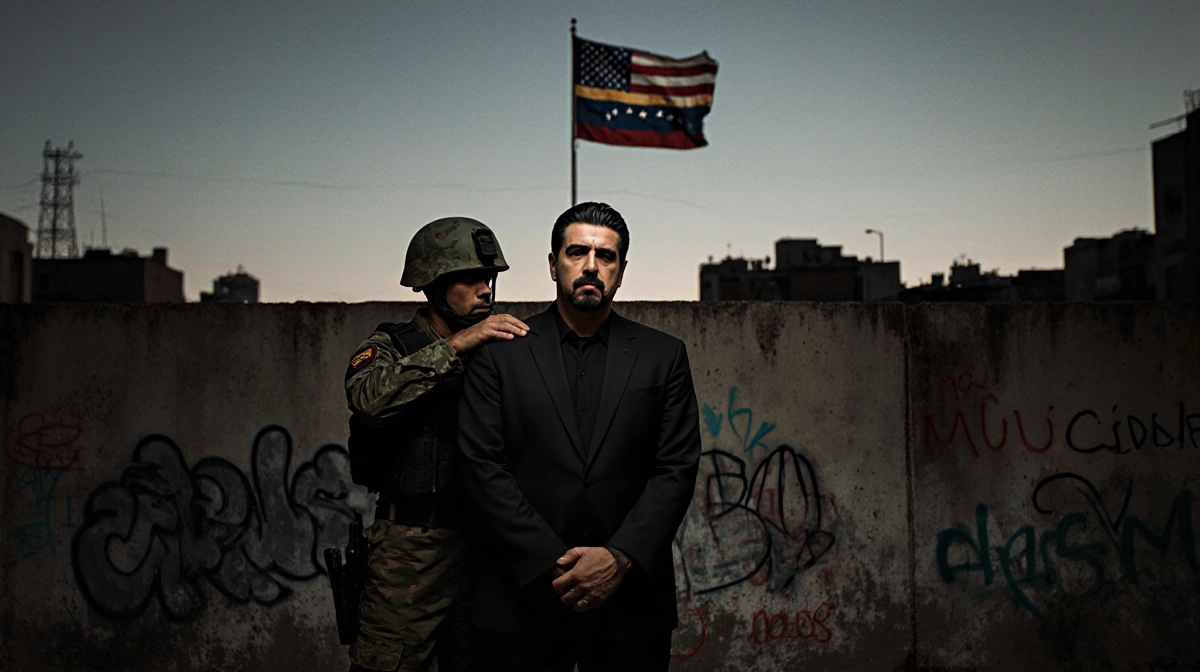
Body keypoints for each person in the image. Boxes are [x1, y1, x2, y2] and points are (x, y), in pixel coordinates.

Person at [457, 202, 703, 671]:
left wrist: (619, 559)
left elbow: (676, 470)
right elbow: (483, 469)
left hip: (630, 606)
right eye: (577, 252)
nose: (591, 266)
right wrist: (555, 562)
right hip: (519, 601)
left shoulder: (663, 356)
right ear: (553, 265)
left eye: (606, 256)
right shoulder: (498, 355)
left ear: (621, 271)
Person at [344, 216, 529, 672]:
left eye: (488, 278)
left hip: (485, 546)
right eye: (470, 279)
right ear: (433, 286)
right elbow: (368, 399)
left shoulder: (500, 349)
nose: (485, 289)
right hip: (410, 549)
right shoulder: (391, 344)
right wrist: (457, 346)